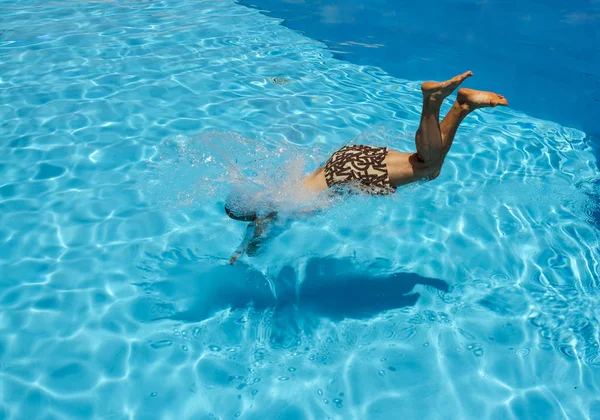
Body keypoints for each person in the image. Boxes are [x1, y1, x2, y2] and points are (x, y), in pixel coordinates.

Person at [226, 71, 507, 264]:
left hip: (346, 175)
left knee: (426, 166)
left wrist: (241, 255)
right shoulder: (279, 190)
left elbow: (254, 246)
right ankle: (462, 106)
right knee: (430, 169)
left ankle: (432, 101)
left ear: (248, 216)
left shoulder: (269, 216)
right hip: (344, 159)